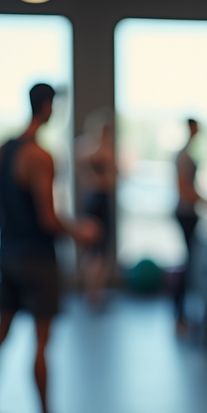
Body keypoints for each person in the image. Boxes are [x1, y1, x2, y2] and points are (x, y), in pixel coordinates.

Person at [0, 84, 100, 413]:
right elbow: (48, 218)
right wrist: (81, 231)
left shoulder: (2, 150)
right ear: (47, 107)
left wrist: (12, 232)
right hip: (37, 259)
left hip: (8, 254)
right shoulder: (40, 156)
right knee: (42, 343)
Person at [173, 118, 207, 334]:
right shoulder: (183, 157)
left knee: (192, 263)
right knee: (189, 264)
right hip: (185, 214)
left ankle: (186, 315)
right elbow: (184, 191)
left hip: (191, 214)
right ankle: (179, 315)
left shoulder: (187, 154)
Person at [76, 109, 117, 307]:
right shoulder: (93, 148)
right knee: (95, 248)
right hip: (97, 199)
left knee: (98, 250)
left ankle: (95, 291)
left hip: (96, 198)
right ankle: (93, 292)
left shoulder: (87, 147)